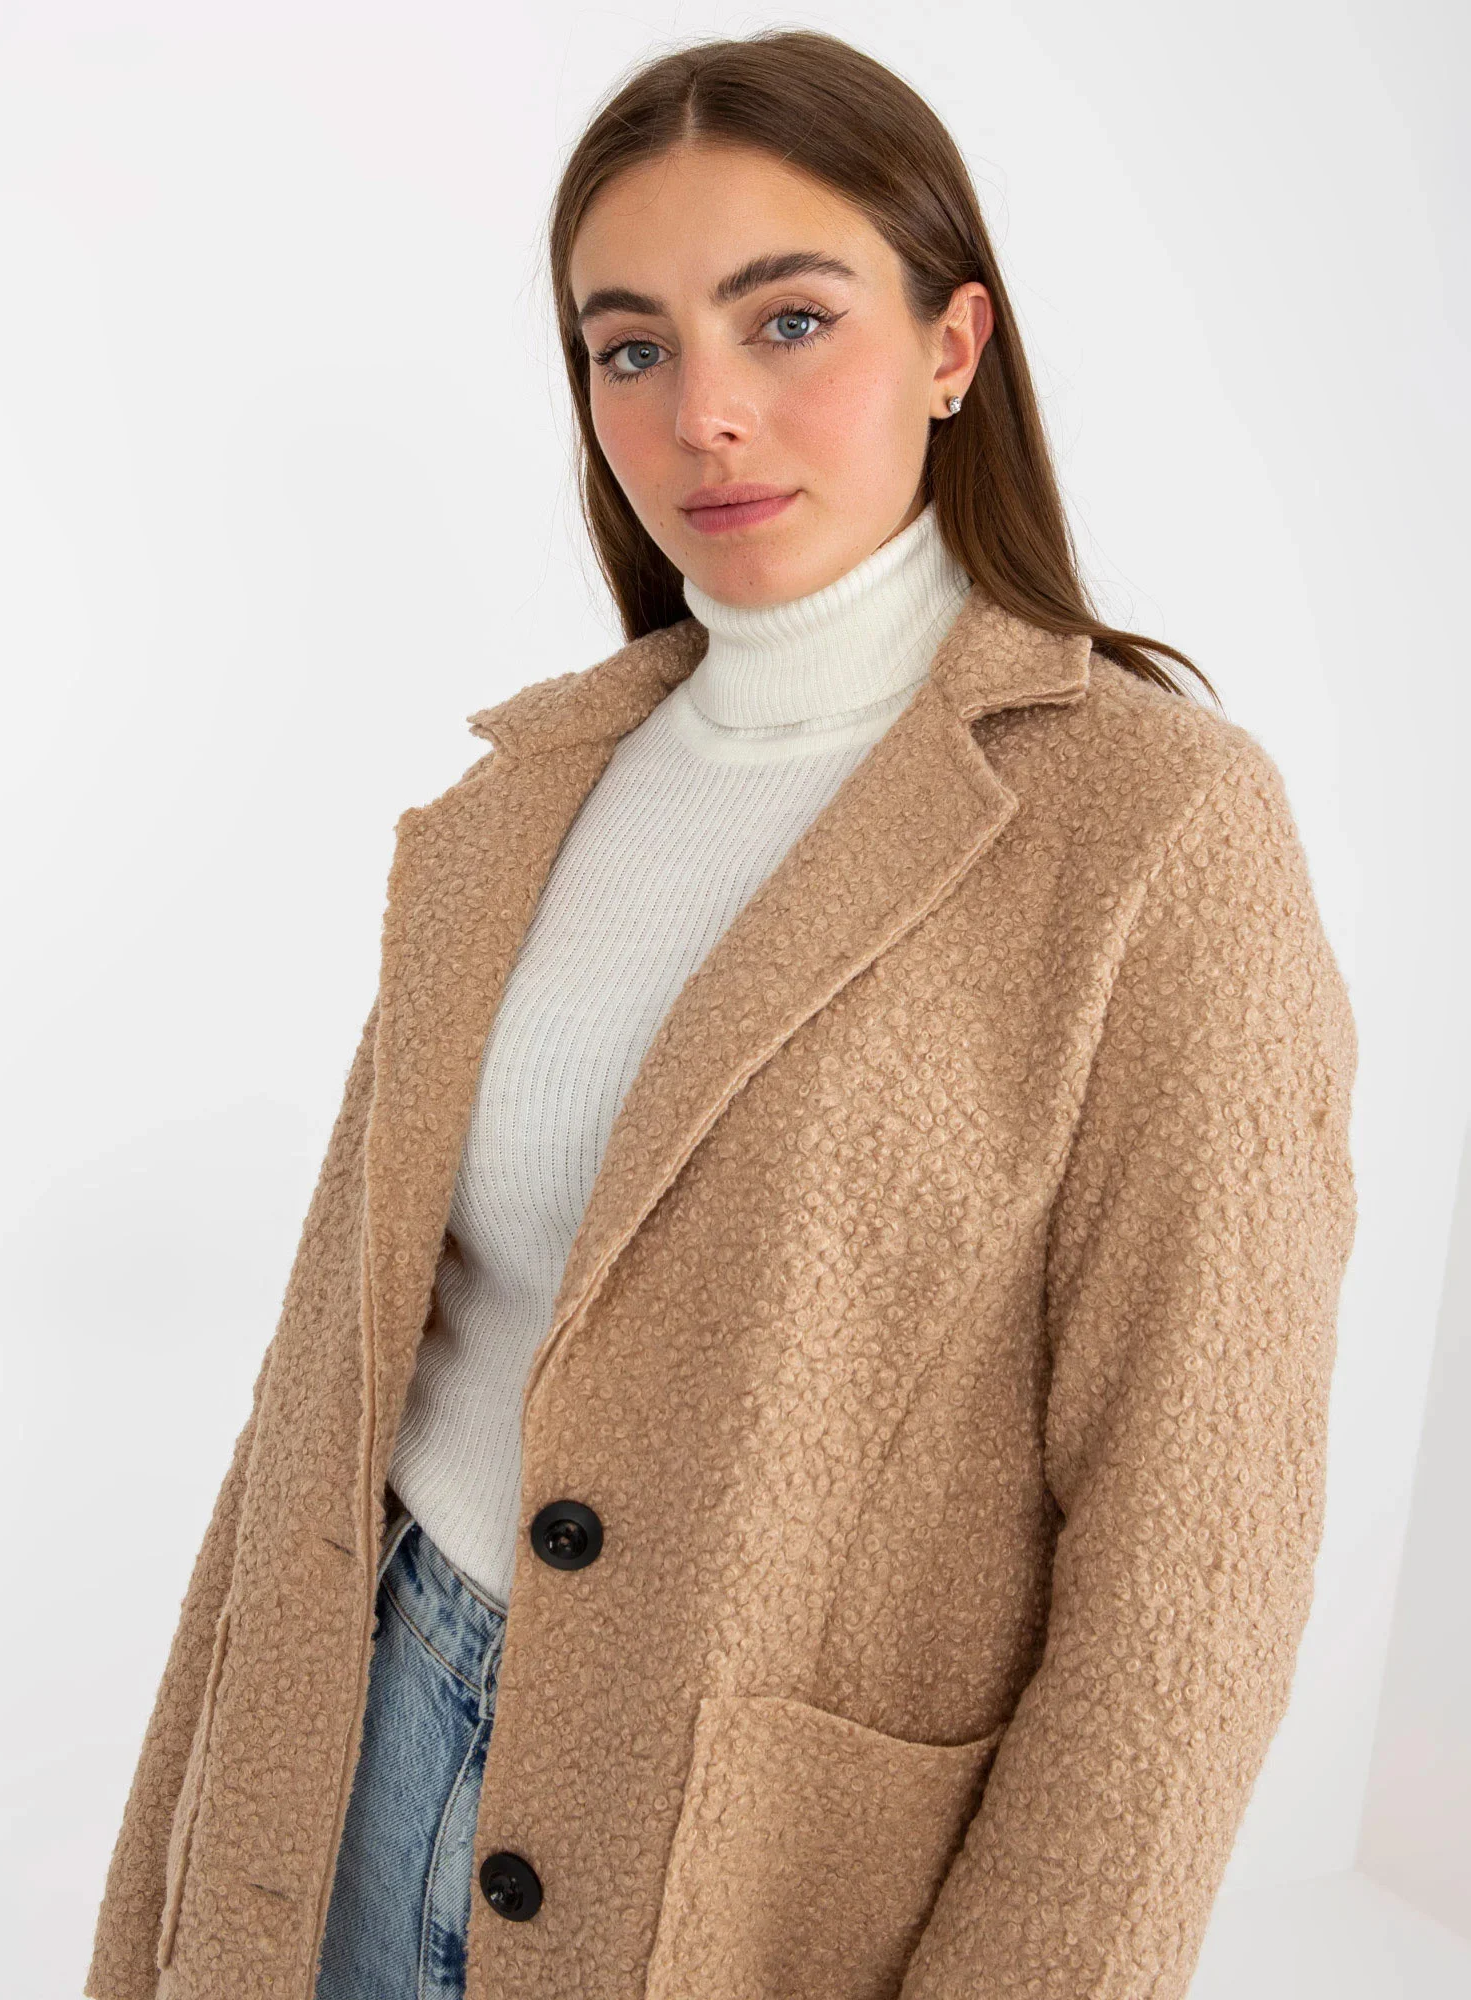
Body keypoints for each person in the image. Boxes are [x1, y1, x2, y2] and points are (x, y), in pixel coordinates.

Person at [85, 29, 1358, 2000]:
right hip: (350, 1754)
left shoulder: (1153, 828)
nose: (708, 415)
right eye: (632, 348)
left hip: (748, 1878)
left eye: (789, 321)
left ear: (954, 346)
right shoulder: (524, 801)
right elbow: (326, 1398)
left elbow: (1191, 1569)